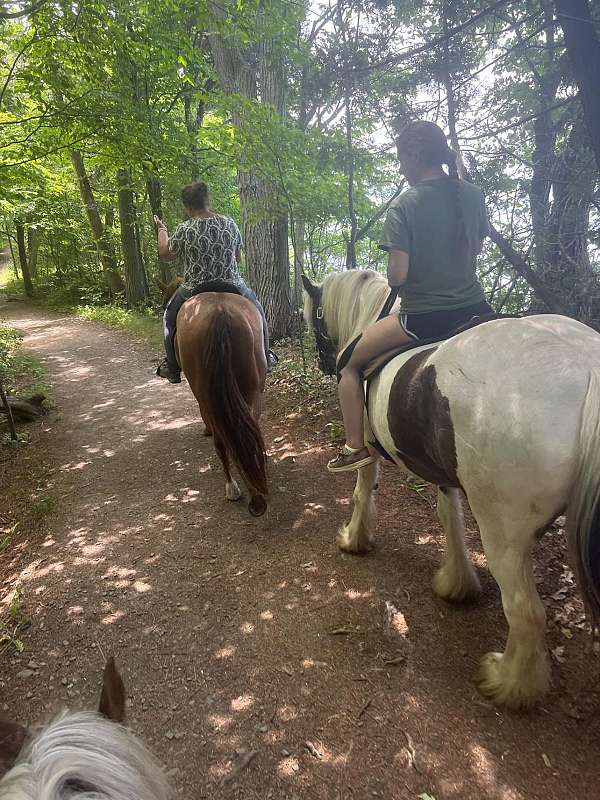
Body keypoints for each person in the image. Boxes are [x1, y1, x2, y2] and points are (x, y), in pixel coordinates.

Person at [327, 120, 493, 473]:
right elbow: (476, 249)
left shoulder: (405, 205)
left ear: (416, 155)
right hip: (478, 309)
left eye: (401, 159)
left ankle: (355, 445)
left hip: (423, 316)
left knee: (347, 362)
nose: (401, 168)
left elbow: (398, 276)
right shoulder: (473, 194)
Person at [154, 181, 277, 383]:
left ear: (187, 206)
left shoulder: (185, 229)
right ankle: (267, 354)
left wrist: (162, 231)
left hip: (194, 287)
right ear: (207, 200)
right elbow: (237, 258)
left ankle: (172, 366)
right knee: (258, 312)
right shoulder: (229, 223)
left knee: (169, 317)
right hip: (233, 283)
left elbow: (165, 254)